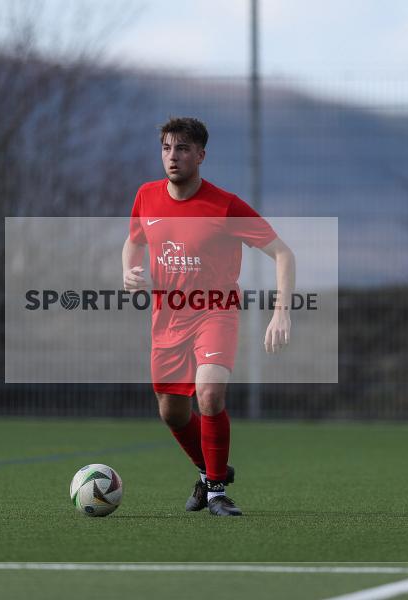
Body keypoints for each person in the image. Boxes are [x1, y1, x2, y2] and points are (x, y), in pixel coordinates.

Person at [122, 117, 295, 517]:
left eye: (183, 149)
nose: (173, 156)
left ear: (200, 155)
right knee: (172, 412)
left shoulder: (226, 206)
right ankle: (209, 470)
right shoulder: (146, 196)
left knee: (210, 394)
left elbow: (283, 253)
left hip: (216, 312)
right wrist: (129, 272)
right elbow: (133, 242)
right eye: (167, 148)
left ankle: (216, 492)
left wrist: (281, 312)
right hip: (168, 319)